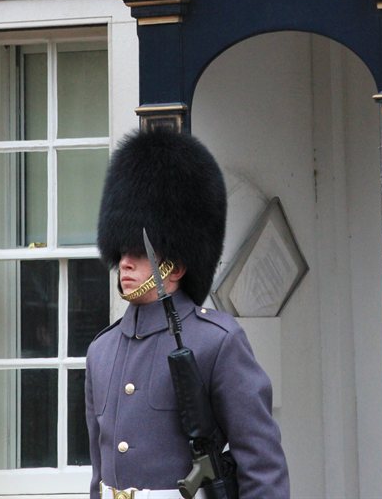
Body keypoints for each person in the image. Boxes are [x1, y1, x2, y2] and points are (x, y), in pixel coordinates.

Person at [85, 126, 290, 499]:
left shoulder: (217, 342)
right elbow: (99, 473)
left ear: (175, 268)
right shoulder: (102, 350)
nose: (124, 264)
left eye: (138, 253)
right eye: (121, 253)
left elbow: (262, 467)